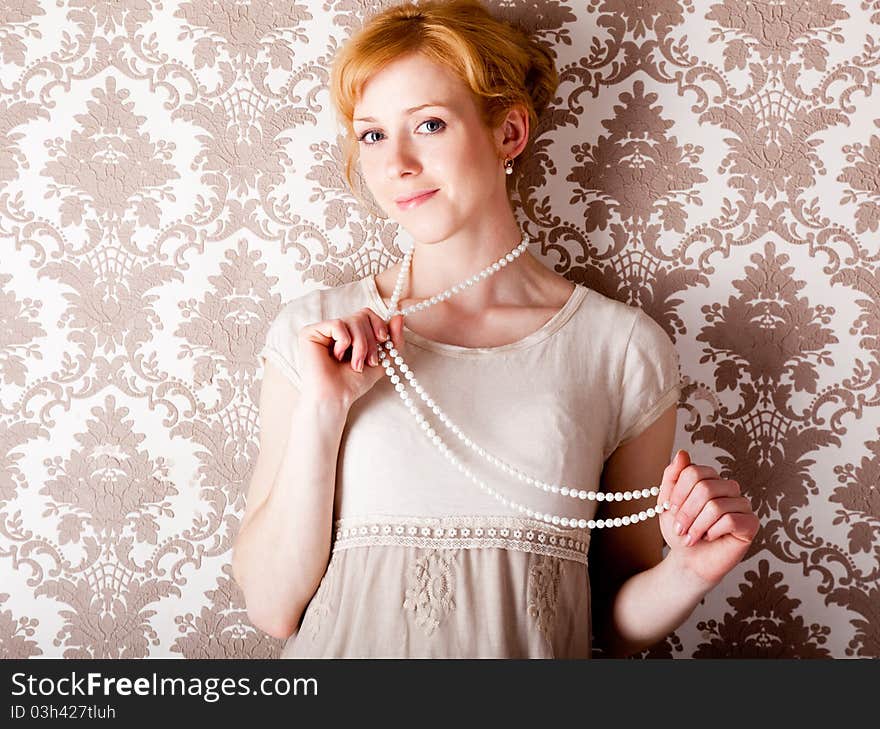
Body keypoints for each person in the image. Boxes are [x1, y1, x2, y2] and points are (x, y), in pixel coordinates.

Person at [232, 0, 759, 659]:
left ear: (509, 132)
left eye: (427, 124)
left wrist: (692, 569)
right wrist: (324, 409)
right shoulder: (314, 332)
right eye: (371, 134)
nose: (395, 162)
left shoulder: (620, 349)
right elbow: (272, 608)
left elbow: (610, 626)